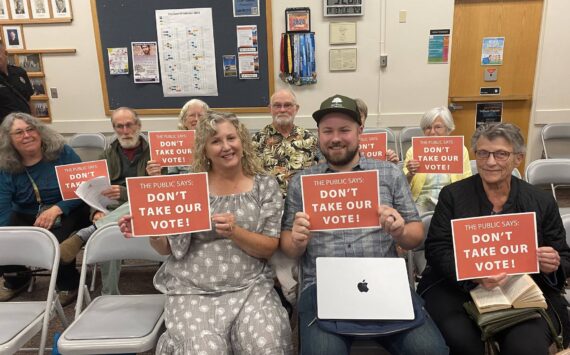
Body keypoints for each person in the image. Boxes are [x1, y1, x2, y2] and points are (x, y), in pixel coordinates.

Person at [280, 94, 448, 355]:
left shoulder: (389, 174)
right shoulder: (301, 182)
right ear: (319, 135)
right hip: (323, 285)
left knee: (431, 351)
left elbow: (415, 237)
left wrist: (400, 231)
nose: (336, 138)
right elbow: (289, 249)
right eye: (328, 131)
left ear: (360, 131)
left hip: (383, 281)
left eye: (344, 130)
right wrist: (297, 241)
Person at [119, 111, 293, 354]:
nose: (226, 147)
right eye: (215, 141)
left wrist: (234, 232)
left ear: (241, 140)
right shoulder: (190, 185)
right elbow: (167, 248)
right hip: (193, 290)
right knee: (204, 350)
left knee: (268, 345)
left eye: (231, 138)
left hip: (250, 288)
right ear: (204, 149)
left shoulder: (265, 185)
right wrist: (153, 229)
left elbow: (268, 247)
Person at [417, 123, 570, 354]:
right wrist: (473, 275)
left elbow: (564, 256)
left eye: (501, 154)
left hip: (522, 288)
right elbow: (437, 249)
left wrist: (552, 265)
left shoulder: (541, 201)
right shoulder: (453, 195)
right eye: (482, 153)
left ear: (518, 158)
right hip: (456, 287)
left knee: (525, 345)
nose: (490, 162)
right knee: (463, 341)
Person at [59, 107, 152, 295]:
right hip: (113, 211)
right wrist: (96, 211)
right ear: (114, 129)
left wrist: (126, 193)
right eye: (119, 127)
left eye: (129, 125)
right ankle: (110, 295)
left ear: (138, 125)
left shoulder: (155, 153)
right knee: (110, 231)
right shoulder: (106, 156)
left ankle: (87, 233)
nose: (125, 131)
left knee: (109, 228)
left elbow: (161, 192)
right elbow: (94, 191)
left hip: (147, 208)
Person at [0, 113, 90, 305]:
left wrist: (58, 208)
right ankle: (16, 278)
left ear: (39, 131)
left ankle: (68, 282)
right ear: (9, 139)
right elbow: (3, 202)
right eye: (19, 132)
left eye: (30, 129)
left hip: (68, 207)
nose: (26, 135)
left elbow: (83, 187)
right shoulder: (5, 164)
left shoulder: (62, 152)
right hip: (26, 210)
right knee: (5, 235)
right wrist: (4, 233)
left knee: (56, 239)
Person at [403, 106, 472, 214]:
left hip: (451, 202)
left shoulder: (460, 150)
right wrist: (410, 174)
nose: (432, 132)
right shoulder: (414, 150)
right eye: (428, 128)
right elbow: (403, 186)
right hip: (421, 203)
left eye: (438, 127)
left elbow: (467, 183)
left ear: (448, 129)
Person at [252, 89, 319, 197]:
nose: (282, 110)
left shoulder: (310, 139)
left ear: (296, 109)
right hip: (268, 204)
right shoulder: (256, 140)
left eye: (287, 105)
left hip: (303, 203)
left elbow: (320, 173)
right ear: (270, 109)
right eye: (277, 106)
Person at [145, 98, 209, 177]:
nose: (196, 119)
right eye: (192, 115)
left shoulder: (215, 142)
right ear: (184, 120)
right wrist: (156, 175)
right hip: (185, 186)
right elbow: (172, 179)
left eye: (200, 115)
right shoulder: (175, 143)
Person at [355, 97, 400, 163]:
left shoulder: (376, 141)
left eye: (360, 116)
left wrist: (392, 164)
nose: (358, 119)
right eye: (355, 116)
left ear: (365, 118)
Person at [0, 43, 32, 123]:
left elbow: (29, 100)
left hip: (26, 124)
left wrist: (36, 123)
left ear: (5, 53)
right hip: (4, 129)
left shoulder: (20, 72)